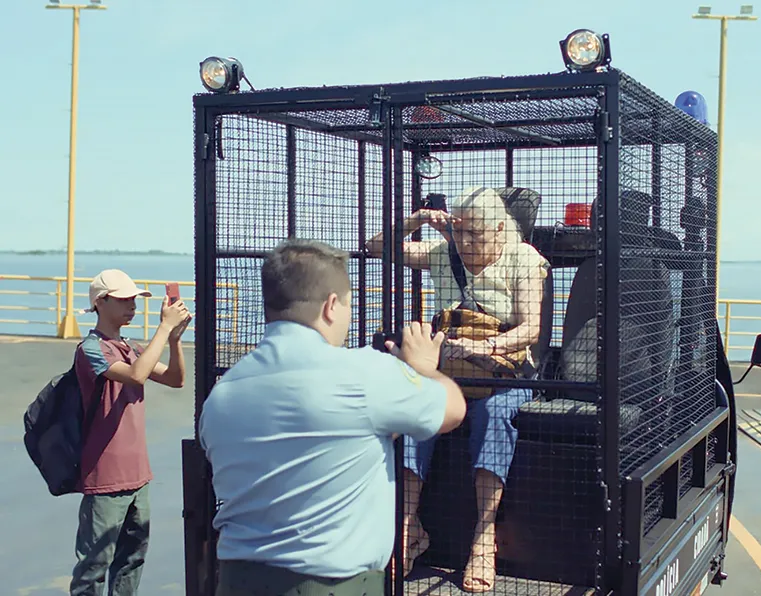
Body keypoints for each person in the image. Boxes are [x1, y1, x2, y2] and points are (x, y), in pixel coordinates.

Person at [198, 239, 467, 596]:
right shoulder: (364, 374)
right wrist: (422, 368)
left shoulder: (222, 395)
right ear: (330, 306)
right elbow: (453, 410)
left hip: (236, 581)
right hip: (332, 585)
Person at [366, 186, 550, 593]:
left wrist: (486, 347)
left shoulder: (523, 259)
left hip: (503, 375)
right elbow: (376, 247)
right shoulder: (442, 253)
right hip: (451, 372)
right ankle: (408, 526)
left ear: (499, 229)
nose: (465, 243)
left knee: (495, 415)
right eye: (460, 232)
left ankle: (484, 537)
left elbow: (531, 329)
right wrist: (416, 221)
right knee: (415, 411)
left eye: (475, 234)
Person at [70, 269, 192, 596]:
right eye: (124, 299)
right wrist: (163, 327)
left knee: (132, 560)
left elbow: (176, 379)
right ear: (101, 302)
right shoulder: (91, 349)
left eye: (134, 299)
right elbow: (137, 375)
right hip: (106, 478)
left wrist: (174, 340)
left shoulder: (131, 347)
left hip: (138, 476)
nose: (132, 306)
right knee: (94, 566)